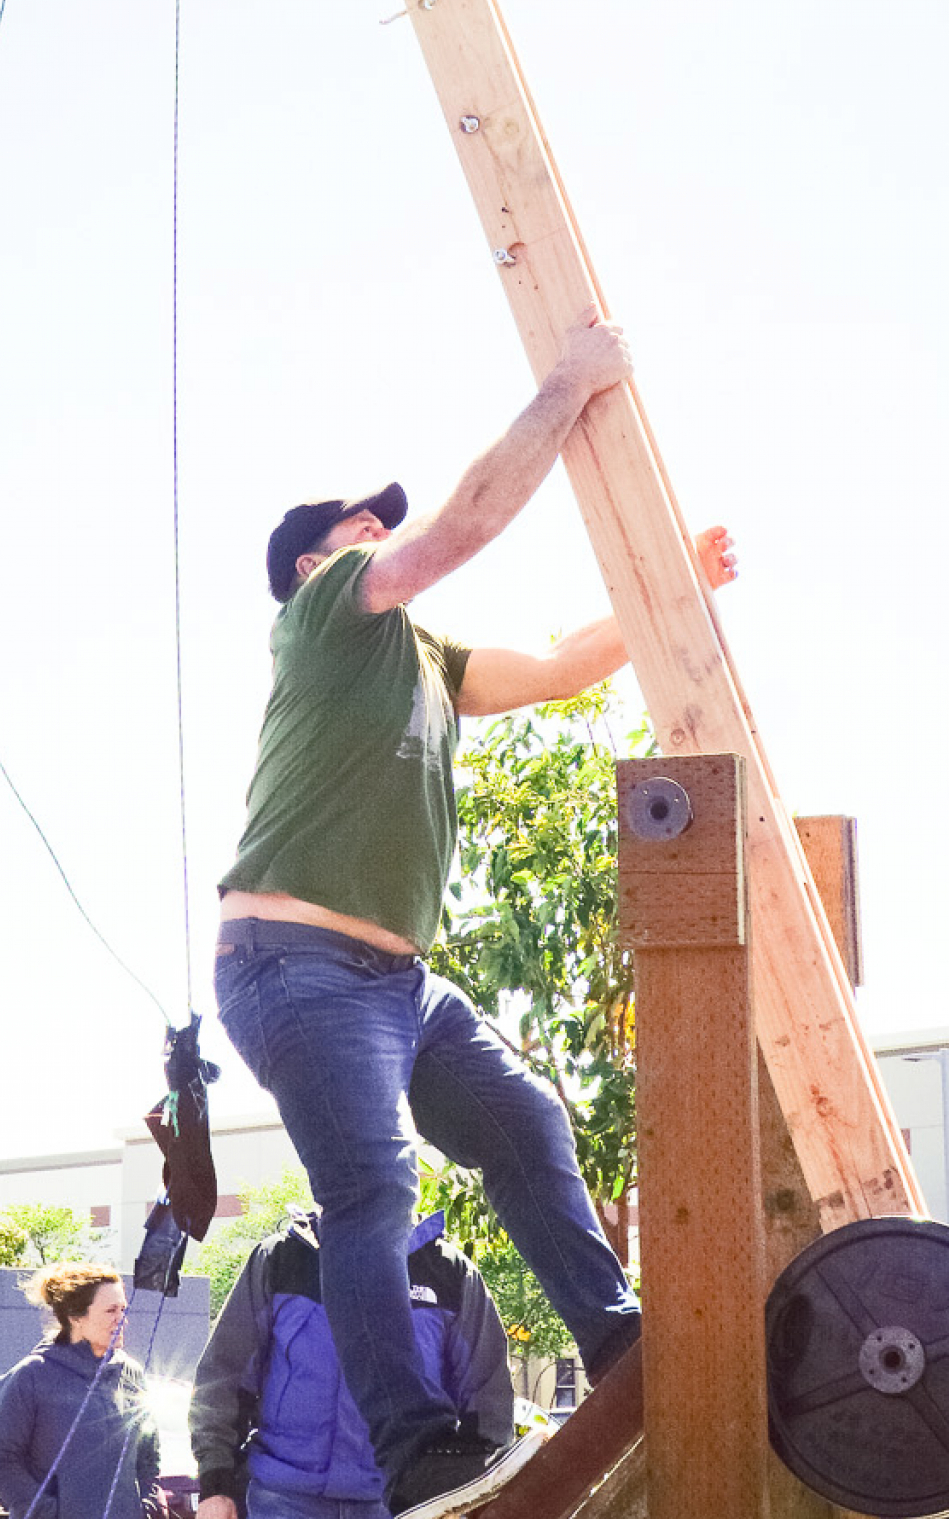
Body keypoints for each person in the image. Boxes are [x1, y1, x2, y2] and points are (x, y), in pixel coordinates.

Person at [215, 306, 734, 1516]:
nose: (378, 532)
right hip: (293, 961)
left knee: (523, 1121)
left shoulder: (428, 661)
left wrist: (682, 592)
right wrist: (568, 385)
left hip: (401, 985)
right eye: (360, 524)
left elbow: (554, 669)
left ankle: (617, 1341)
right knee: (375, 1194)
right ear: (315, 561)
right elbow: (457, 529)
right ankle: (417, 1444)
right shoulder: (329, 609)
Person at [191, 1208, 515, 1519]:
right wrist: (215, 1485)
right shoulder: (281, 1258)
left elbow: (488, 1401)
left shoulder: (449, 1271)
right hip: (281, 1500)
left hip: (402, 1505)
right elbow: (224, 1377)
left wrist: (467, 1487)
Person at [0, 1262, 160, 1519]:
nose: (121, 1320)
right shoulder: (31, 1376)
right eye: (111, 1310)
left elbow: (148, 1457)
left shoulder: (132, 1374)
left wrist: (145, 1507)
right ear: (75, 1317)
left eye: (123, 1309)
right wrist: (46, 1512)